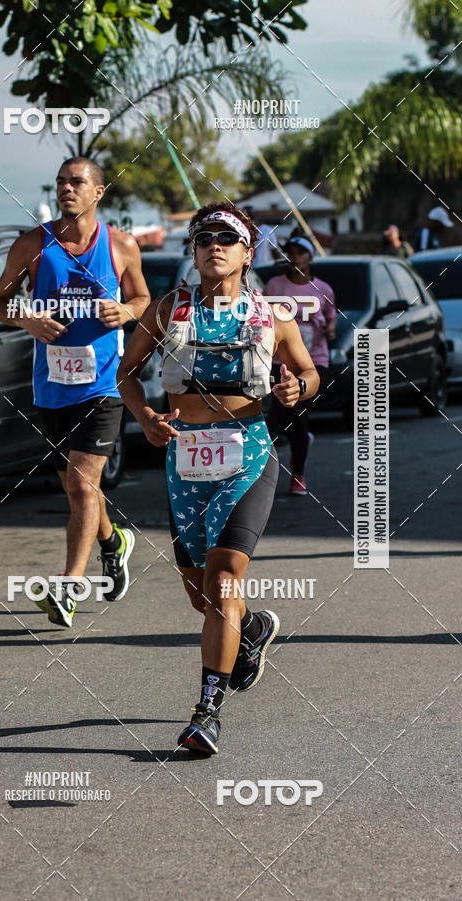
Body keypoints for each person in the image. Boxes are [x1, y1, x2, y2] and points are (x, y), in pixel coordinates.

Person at [117, 202, 319, 755]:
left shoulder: (272, 315)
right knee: (201, 596)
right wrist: (145, 419)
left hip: (249, 456)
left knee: (224, 576)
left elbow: (309, 371)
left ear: (247, 252)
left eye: (227, 238)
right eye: (204, 237)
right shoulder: (165, 312)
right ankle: (250, 630)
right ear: (194, 250)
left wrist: (296, 390)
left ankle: (207, 711)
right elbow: (127, 373)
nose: (214, 245)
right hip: (185, 463)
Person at [0, 157, 150, 627]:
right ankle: (113, 543)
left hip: (103, 385)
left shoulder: (121, 246)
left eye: (76, 182)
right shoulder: (32, 245)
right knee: (76, 486)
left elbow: (143, 299)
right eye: (60, 181)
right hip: (52, 387)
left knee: (82, 485)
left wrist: (126, 311)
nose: (66, 189)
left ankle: (69, 586)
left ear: (98, 193)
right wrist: (27, 318)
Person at [264, 235, 336, 496]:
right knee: (281, 419)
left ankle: (298, 474)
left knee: (300, 416)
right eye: (290, 252)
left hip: (313, 361)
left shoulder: (323, 289)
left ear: (310, 257)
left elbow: (331, 317)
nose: (294, 256)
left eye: (300, 252)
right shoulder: (274, 285)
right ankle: (300, 439)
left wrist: (329, 328)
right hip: (278, 362)